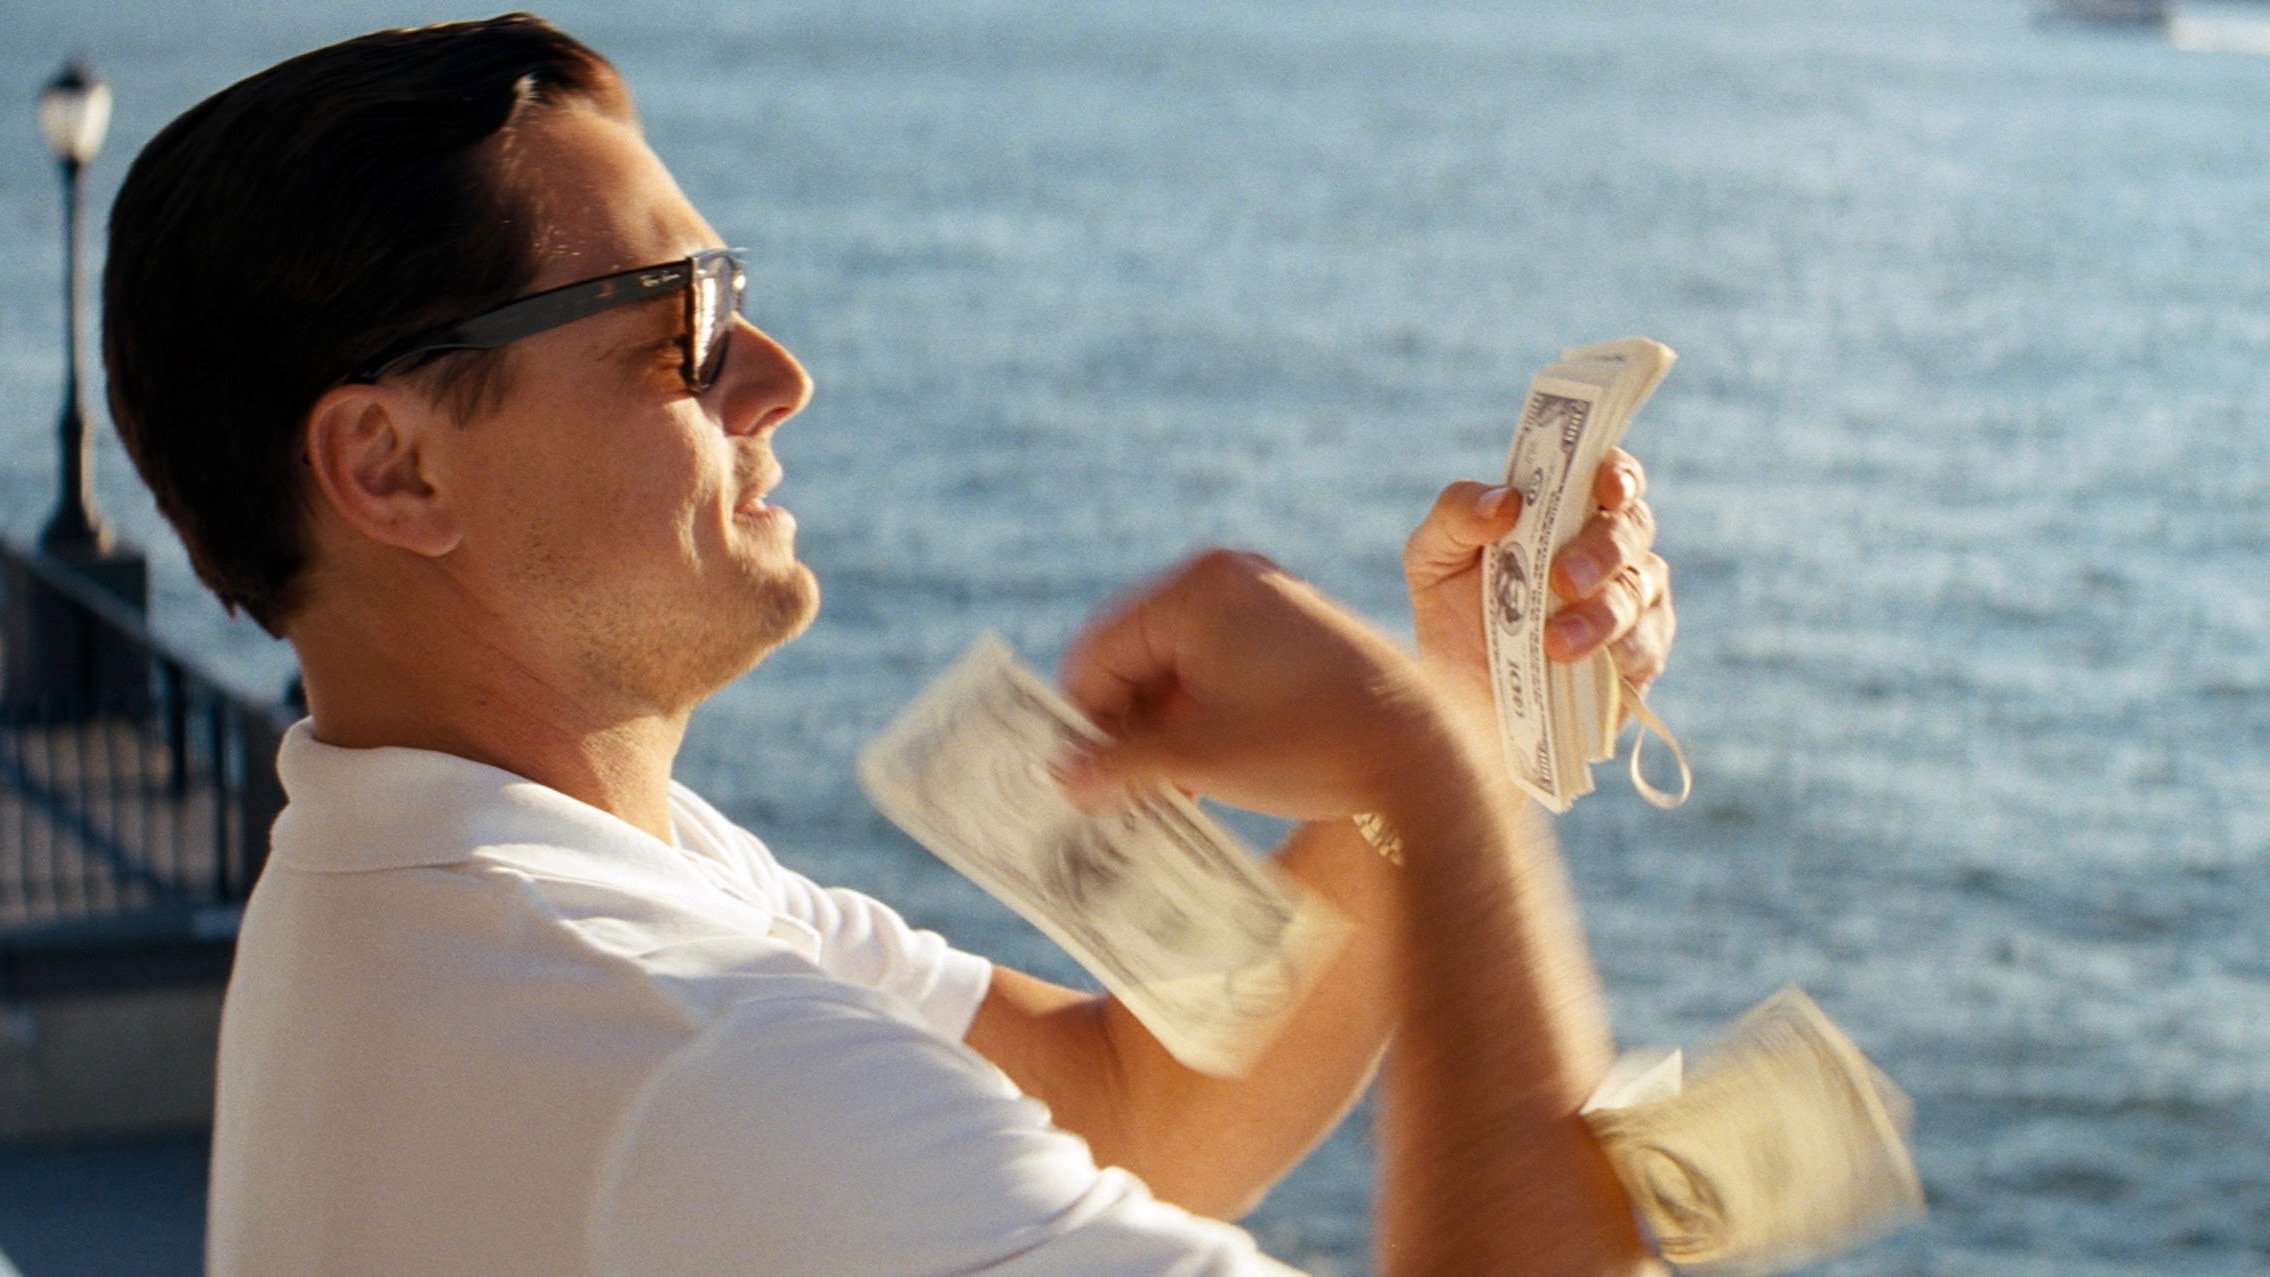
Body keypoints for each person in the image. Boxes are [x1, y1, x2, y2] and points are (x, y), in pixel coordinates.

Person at [102, 14, 1678, 1275]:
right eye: (682, 323)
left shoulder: (458, 891)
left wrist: (1460, 703)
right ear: (392, 466)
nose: (778, 374)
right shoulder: (692, 1065)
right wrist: (1433, 779)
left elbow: (1137, 1108)